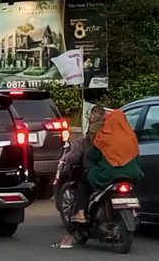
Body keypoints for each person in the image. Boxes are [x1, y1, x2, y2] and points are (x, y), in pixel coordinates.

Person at [69, 109, 143, 224]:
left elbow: (91, 155)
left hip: (108, 174)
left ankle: (81, 213)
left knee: (84, 179)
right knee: (133, 186)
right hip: (133, 174)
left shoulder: (105, 136)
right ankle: (133, 210)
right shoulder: (131, 136)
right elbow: (137, 156)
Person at [52, 106, 106, 249]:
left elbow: (76, 156)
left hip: (97, 173)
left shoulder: (89, 140)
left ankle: (80, 215)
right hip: (116, 171)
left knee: (82, 184)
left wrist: (65, 160)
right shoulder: (114, 135)